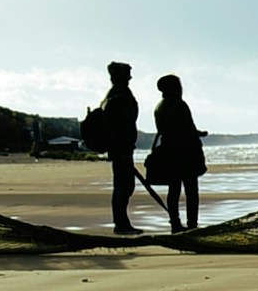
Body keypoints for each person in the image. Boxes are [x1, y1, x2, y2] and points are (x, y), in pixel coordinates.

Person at [81, 61, 143, 235]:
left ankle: (122, 222)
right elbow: (116, 126)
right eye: (127, 74)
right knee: (124, 186)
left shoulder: (117, 94)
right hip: (121, 148)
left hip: (123, 147)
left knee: (125, 185)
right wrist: (121, 148)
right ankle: (121, 224)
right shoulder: (117, 96)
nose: (130, 77)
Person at [143, 73, 206, 234]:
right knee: (191, 190)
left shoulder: (159, 106)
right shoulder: (180, 104)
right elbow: (188, 128)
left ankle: (175, 224)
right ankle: (192, 225)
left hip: (168, 150)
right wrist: (199, 138)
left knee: (174, 189)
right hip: (184, 152)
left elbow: (166, 129)